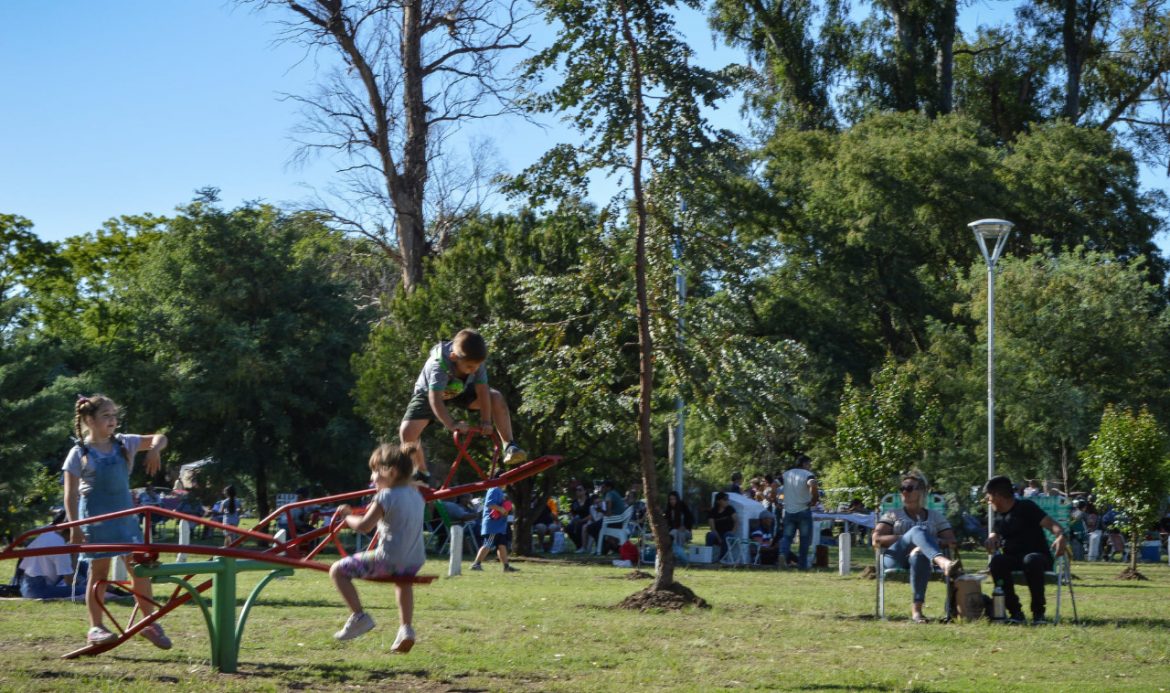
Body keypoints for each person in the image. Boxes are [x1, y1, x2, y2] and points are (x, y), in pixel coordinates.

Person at [62, 394, 172, 649]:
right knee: (98, 572)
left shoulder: (124, 443)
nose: (113, 420)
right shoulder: (79, 452)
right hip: (97, 521)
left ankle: (149, 622)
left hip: (125, 521)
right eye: (106, 416)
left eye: (114, 415)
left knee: (140, 569)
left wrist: (155, 448)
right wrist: (75, 527)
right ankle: (96, 627)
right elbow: (70, 493)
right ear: (89, 420)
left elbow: (160, 437)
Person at [329, 442, 426, 653]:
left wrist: (346, 517)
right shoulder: (416, 495)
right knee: (403, 583)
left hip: (388, 560)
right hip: (414, 561)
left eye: (374, 471)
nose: (372, 477)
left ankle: (359, 617)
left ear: (390, 472)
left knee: (337, 570)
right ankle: (406, 629)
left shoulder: (385, 496)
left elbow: (364, 526)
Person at [399, 329, 526, 483]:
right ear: (454, 357)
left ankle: (509, 446)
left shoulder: (475, 362)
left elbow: (482, 390)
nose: (474, 370)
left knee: (496, 397)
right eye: (470, 367)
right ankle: (421, 472)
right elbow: (435, 399)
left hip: (461, 389)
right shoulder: (439, 365)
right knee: (407, 432)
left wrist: (486, 421)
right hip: (429, 393)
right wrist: (452, 424)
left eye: (477, 366)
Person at [871, 473, 961, 623]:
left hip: (922, 559)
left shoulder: (935, 516)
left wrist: (922, 544)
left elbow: (951, 540)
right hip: (894, 558)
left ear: (922, 491)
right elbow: (876, 539)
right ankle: (943, 562)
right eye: (902, 488)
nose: (904, 492)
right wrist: (910, 537)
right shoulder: (893, 514)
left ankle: (917, 611)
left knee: (919, 553)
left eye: (909, 488)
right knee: (917, 531)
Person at [984, 475, 1067, 625]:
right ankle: (1015, 612)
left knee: (1031, 560)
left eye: (988, 496)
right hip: (1014, 559)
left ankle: (1038, 613)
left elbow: (1054, 526)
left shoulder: (1026, 507)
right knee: (997, 562)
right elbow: (994, 535)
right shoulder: (999, 516)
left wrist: (1060, 536)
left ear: (997, 495)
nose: (987, 500)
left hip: (1038, 557)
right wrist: (990, 541)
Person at [17, 511, 87, 600]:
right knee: (86, 590)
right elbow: (69, 581)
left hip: (26, 583)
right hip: (38, 590)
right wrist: (75, 553)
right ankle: (95, 584)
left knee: (82, 564)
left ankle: (91, 582)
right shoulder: (60, 548)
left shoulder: (49, 532)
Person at [471, 476, 518, 572]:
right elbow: (490, 504)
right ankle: (476, 564)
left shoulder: (499, 490)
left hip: (499, 525)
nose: (506, 483)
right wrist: (502, 509)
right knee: (488, 544)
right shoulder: (494, 489)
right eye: (506, 480)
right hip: (493, 525)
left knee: (502, 545)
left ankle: (506, 567)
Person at [779, 454, 818, 569]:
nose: (810, 466)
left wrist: (775, 501)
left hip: (789, 510)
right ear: (804, 464)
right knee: (804, 539)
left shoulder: (786, 474)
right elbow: (812, 483)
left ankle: (782, 555)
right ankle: (802, 565)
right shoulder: (807, 474)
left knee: (787, 537)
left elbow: (774, 485)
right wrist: (814, 499)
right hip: (804, 509)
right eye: (809, 464)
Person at [705, 492, 738, 560]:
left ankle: (722, 559)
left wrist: (733, 532)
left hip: (728, 534)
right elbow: (712, 528)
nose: (727, 501)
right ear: (718, 501)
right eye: (725, 499)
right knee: (710, 535)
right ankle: (707, 557)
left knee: (728, 535)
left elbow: (736, 522)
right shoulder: (713, 511)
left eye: (727, 499)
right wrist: (719, 539)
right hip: (717, 534)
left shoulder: (730, 509)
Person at [568, 484, 594, 553]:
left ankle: (584, 547)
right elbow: (572, 513)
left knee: (580, 527)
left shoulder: (589, 501)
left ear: (585, 491)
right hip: (577, 521)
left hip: (588, 520)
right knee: (569, 528)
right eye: (576, 490)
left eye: (580, 490)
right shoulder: (574, 502)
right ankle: (579, 546)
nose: (577, 491)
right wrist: (573, 519)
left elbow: (592, 515)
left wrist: (581, 520)